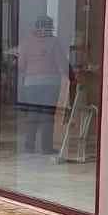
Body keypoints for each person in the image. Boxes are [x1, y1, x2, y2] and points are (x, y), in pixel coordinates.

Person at [17, 15, 71, 155]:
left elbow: (21, 64)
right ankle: (46, 148)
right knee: (47, 114)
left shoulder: (27, 42)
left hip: (31, 83)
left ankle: (29, 146)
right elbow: (62, 62)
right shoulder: (54, 41)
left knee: (33, 113)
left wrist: (27, 73)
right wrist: (72, 76)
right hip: (51, 82)